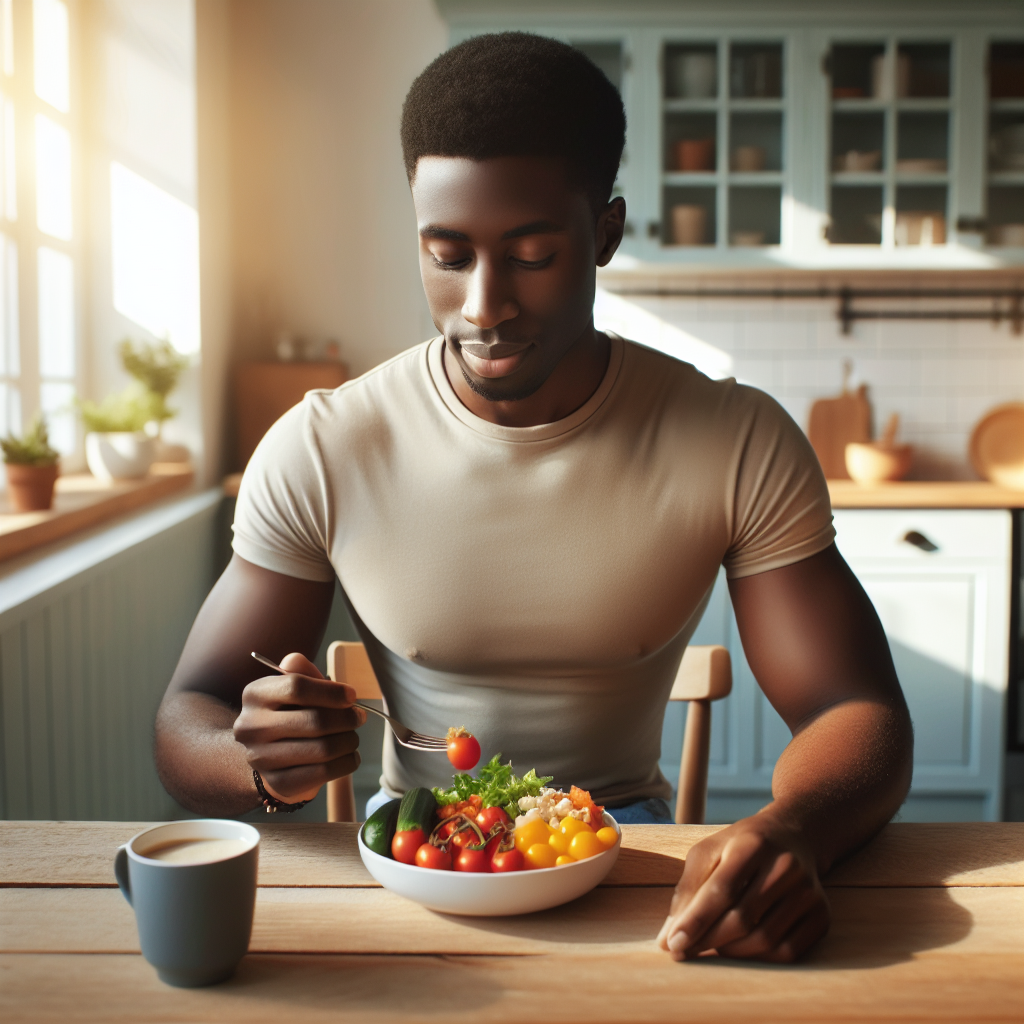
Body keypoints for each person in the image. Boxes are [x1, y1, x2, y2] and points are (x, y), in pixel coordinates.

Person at [155, 32, 912, 963]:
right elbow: (188, 714)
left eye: (532, 253)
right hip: (414, 851)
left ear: (603, 232)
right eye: (447, 253)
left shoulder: (735, 438)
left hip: (625, 854)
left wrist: (800, 826)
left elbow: (854, 707)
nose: (483, 303)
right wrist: (256, 762)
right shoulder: (324, 446)